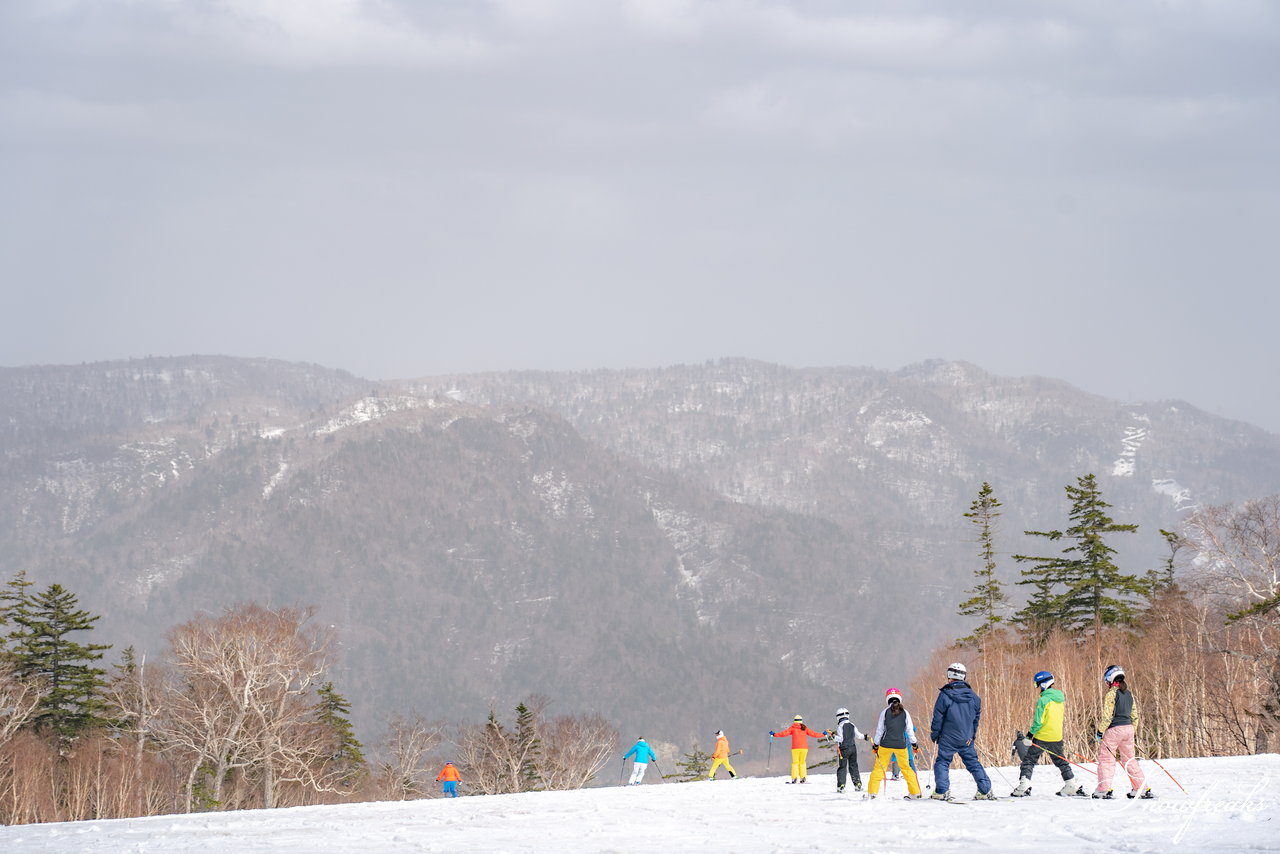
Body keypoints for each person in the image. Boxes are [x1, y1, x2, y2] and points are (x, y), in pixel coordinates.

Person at [1010, 670, 1083, 797]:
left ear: (1043, 684)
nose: (1037, 688)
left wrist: (1029, 735)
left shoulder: (1043, 700)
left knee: (1029, 760)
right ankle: (1071, 784)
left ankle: (1024, 785)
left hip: (1042, 736)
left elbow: (1038, 721)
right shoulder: (1060, 698)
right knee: (1061, 761)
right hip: (1056, 736)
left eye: (1037, 685)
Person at [929, 661, 996, 801]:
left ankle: (942, 791)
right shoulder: (974, 697)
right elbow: (975, 719)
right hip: (966, 738)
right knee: (972, 762)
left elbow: (938, 717)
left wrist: (935, 734)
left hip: (947, 737)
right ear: (963, 677)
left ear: (949, 675)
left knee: (942, 762)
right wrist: (972, 735)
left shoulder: (945, 695)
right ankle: (985, 790)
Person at [1094, 664, 1153, 799]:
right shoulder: (1128, 694)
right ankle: (1141, 788)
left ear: (1110, 679)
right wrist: (1132, 730)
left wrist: (1100, 731)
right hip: (1129, 729)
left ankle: (1103, 789)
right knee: (1130, 760)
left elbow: (1108, 716)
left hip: (1114, 730)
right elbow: (1135, 715)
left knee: (1106, 759)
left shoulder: (1111, 694)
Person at [866, 689, 923, 799]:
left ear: (887, 698)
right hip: (901, 745)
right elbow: (910, 731)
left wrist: (876, 745)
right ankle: (915, 793)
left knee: (879, 768)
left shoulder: (884, 712)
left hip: (885, 745)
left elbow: (880, 730)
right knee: (906, 769)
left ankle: (872, 793)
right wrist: (914, 744)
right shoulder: (905, 713)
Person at [770, 715, 828, 783]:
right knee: (802, 762)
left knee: (795, 763)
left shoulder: (792, 728)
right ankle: (803, 777)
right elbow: (814, 734)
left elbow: (783, 734)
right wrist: (823, 734)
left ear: (794, 721)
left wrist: (774, 734)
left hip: (795, 748)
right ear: (801, 721)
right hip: (804, 748)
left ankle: (794, 778)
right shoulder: (804, 728)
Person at [833, 707, 869, 792]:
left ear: (838, 716)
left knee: (842, 767)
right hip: (853, 748)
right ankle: (858, 784)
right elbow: (859, 735)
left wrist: (834, 737)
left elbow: (841, 739)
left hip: (844, 749)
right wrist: (865, 736)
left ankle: (841, 786)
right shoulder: (852, 725)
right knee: (853, 766)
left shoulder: (840, 726)